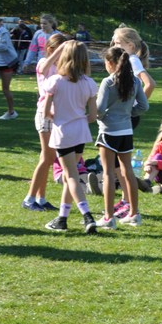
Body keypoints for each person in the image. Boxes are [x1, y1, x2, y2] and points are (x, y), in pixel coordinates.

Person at [41, 40, 98, 233]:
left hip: (63, 132)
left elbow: (46, 112)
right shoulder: (89, 83)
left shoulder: (55, 81)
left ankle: (87, 216)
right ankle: (62, 218)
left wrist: (59, 118)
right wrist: (77, 118)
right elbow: (92, 116)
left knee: (71, 176)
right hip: (81, 131)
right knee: (69, 175)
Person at [95, 47, 149, 229]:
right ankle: (134, 214)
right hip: (126, 131)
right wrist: (128, 114)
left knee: (108, 173)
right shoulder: (135, 81)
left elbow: (99, 109)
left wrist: (103, 118)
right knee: (128, 171)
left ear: (111, 63)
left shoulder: (108, 81)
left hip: (109, 131)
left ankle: (108, 218)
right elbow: (144, 106)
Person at [22, 34, 69, 212]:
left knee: (47, 158)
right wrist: (60, 49)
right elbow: (43, 69)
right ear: (51, 49)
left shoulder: (62, 66)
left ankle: (40, 198)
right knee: (48, 157)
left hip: (58, 114)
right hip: (45, 114)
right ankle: (29, 198)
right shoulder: (43, 62)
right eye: (61, 50)